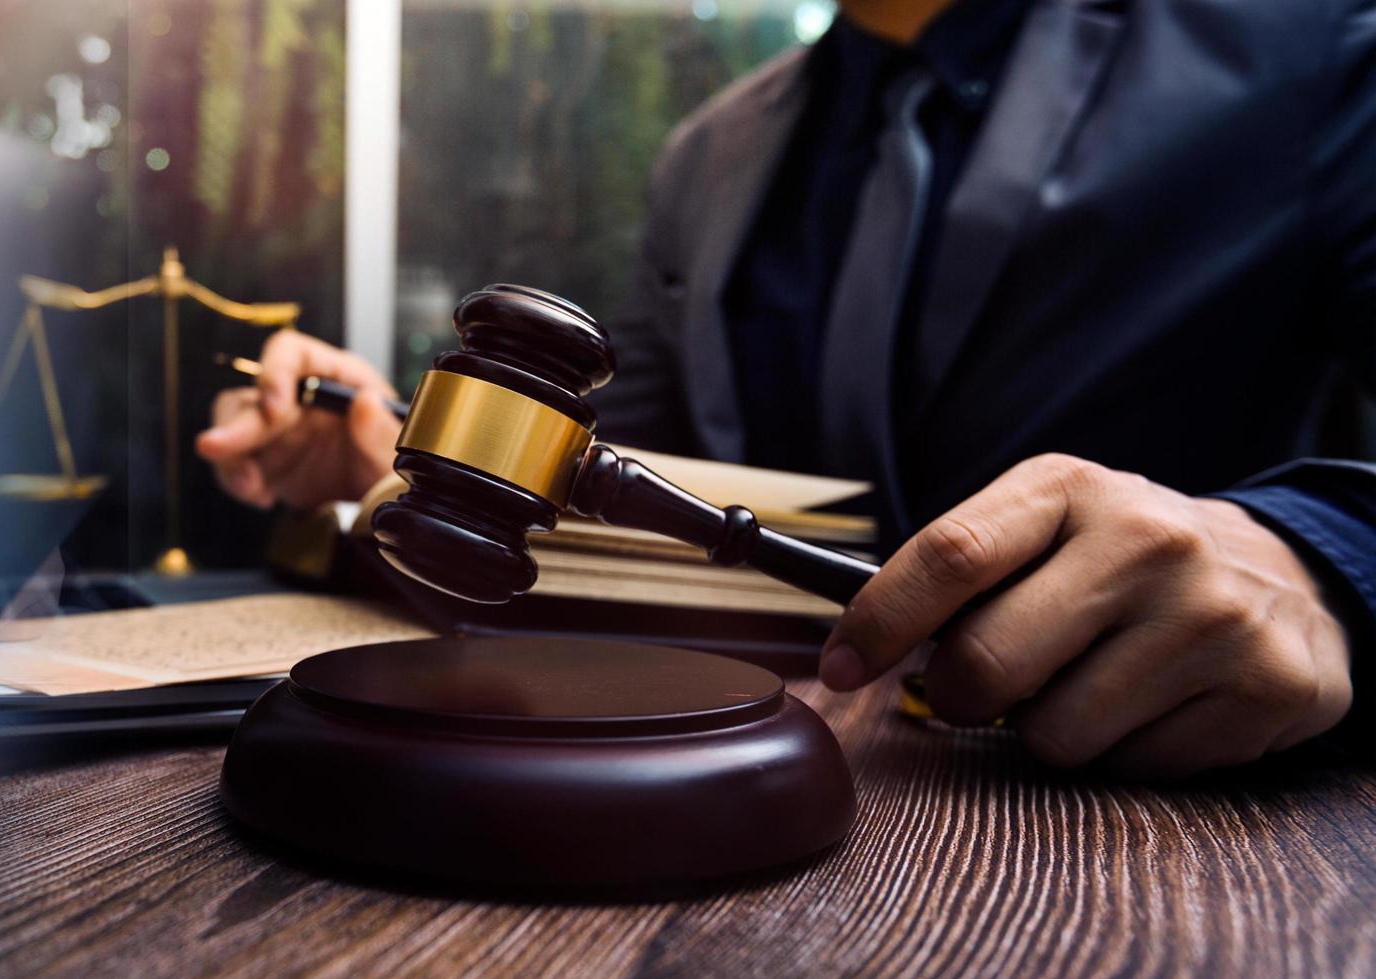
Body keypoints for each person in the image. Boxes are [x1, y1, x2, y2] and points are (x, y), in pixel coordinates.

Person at [193, 0, 1376, 776]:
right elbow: (622, 480)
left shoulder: (1309, 50)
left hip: (1141, 823)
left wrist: (1316, 559)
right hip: (777, 783)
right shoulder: (710, 155)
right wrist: (395, 450)